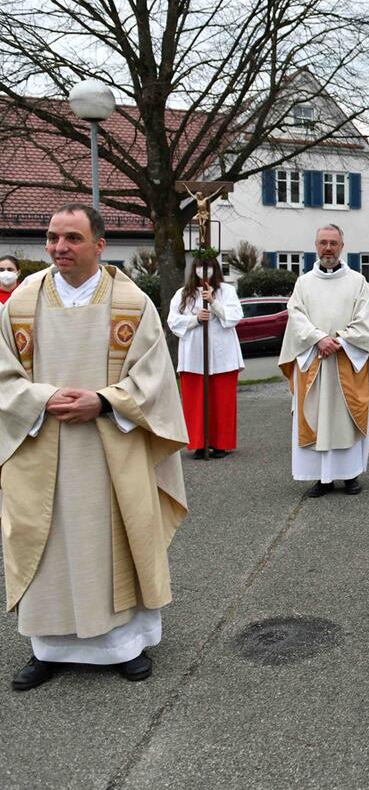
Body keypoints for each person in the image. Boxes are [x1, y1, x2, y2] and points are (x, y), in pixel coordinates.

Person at [0, 204, 187, 691]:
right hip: (41, 446)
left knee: (115, 540)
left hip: (111, 450)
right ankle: (47, 648)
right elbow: (3, 376)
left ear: (99, 245)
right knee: (47, 541)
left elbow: (154, 377)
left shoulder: (131, 301)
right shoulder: (21, 301)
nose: (59, 247)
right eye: (52, 237)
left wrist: (103, 402)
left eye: (72, 238)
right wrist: (41, 398)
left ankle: (125, 645)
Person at [278, 224, 369, 497]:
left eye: (333, 243)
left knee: (346, 419)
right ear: (316, 246)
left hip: (347, 361)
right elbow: (296, 316)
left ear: (342, 246)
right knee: (316, 416)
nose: (328, 248)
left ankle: (350, 475)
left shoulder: (357, 282)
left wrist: (339, 340)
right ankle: (321, 478)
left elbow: (367, 320)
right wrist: (318, 339)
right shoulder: (303, 283)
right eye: (323, 243)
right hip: (314, 361)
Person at [167, 256, 244, 459]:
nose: (204, 272)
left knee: (222, 401)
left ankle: (221, 443)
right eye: (200, 267)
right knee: (196, 402)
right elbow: (173, 321)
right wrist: (194, 320)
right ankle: (200, 443)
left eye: (208, 267)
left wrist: (214, 303)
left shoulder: (227, 291)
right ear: (194, 269)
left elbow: (235, 316)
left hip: (222, 355)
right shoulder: (183, 294)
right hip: (194, 356)